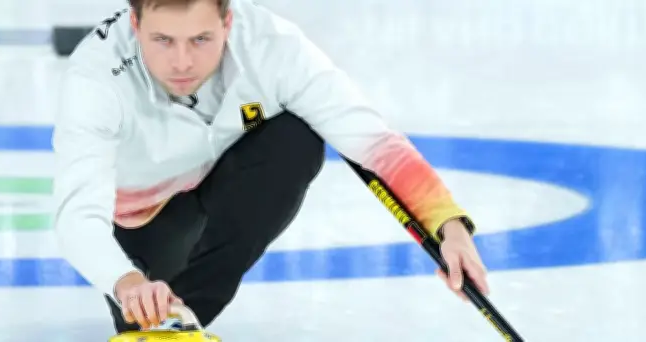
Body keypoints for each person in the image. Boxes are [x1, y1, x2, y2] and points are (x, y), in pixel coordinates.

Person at [51, 0, 490, 337]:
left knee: (295, 139)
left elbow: (373, 142)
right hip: (141, 225)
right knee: (140, 314)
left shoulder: (273, 45)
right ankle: (159, 311)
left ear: (228, 21)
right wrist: (128, 283)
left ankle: (187, 315)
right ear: (135, 25)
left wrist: (448, 225)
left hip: (217, 188)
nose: (181, 61)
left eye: (201, 39)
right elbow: (77, 215)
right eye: (163, 40)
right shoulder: (95, 77)